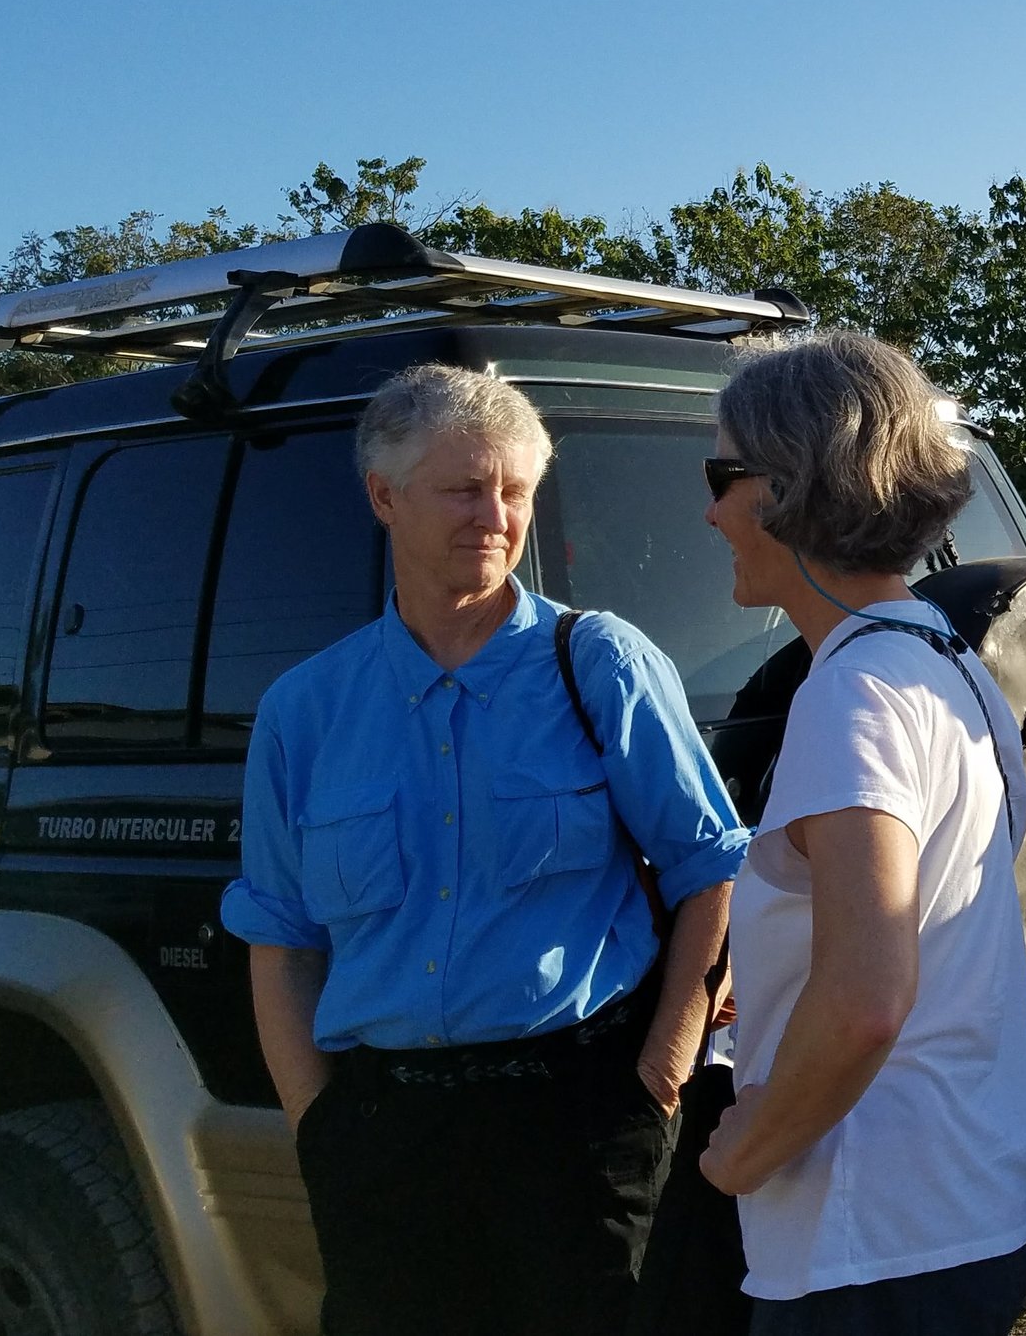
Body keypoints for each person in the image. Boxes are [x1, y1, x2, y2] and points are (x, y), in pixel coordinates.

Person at [221, 364, 749, 1336]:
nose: (494, 516)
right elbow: (283, 937)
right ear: (383, 496)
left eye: (512, 491)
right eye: (464, 488)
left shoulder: (601, 663)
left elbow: (712, 864)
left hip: (580, 1122)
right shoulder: (305, 711)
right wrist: (322, 1126)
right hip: (383, 1140)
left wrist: (661, 1076)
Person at [696, 332, 1026, 1336]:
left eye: (723, 475)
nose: (710, 511)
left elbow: (863, 998)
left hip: (875, 1239)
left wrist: (744, 1152)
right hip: (962, 1205)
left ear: (790, 486)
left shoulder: (853, 693)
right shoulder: (945, 661)